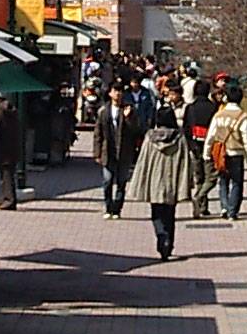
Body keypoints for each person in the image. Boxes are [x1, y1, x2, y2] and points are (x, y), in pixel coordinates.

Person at [129, 103, 194, 260]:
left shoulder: (150, 138)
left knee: (156, 213)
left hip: (155, 182)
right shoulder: (179, 138)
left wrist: (139, 181)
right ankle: (168, 243)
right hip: (172, 182)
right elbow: (186, 162)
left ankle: (161, 238)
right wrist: (187, 182)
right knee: (170, 214)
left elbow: (143, 161)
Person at [209, 85, 247, 222]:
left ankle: (224, 206)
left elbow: (211, 135)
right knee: (236, 183)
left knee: (223, 181)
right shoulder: (242, 116)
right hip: (236, 153)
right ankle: (232, 211)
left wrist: (207, 153)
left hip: (221, 152)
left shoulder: (219, 115)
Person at [94, 87, 133, 219]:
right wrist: (97, 152)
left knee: (121, 182)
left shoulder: (128, 109)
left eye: (120, 91)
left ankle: (117, 209)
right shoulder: (104, 111)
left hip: (124, 152)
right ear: (110, 93)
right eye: (115, 91)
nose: (118, 94)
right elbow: (97, 133)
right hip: (108, 151)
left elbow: (136, 129)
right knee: (107, 181)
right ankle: (108, 207)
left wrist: (128, 118)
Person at [183, 82, 219, 218]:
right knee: (211, 177)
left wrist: (190, 145)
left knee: (199, 178)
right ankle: (200, 200)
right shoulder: (213, 107)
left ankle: (200, 206)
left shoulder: (190, 108)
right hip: (209, 147)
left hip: (195, 145)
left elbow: (186, 128)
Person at [0, 97, 21, 212]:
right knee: (8, 174)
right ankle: (5, 198)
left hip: (2, 147)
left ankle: (8, 200)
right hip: (12, 146)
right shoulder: (12, 111)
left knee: (6, 175)